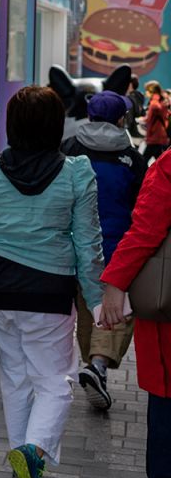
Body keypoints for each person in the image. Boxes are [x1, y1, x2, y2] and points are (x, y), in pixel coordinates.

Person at [0, 86, 104, 478]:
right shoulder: (77, 172)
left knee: (15, 378)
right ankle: (33, 452)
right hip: (50, 293)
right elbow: (88, 243)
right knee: (56, 381)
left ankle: (23, 458)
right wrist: (95, 299)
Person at [61, 91, 146, 410]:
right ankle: (97, 366)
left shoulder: (70, 149)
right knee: (117, 311)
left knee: (87, 308)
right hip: (116, 246)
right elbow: (139, 205)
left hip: (75, 246)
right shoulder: (131, 157)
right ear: (121, 119)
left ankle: (94, 367)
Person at [99, 147, 171, 478]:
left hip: (167, 305)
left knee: (166, 392)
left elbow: (145, 230)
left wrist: (115, 283)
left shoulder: (167, 168)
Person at [143, 81, 168, 163]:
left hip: (154, 136)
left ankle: (141, 176)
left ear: (151, 91)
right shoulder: (162, 101)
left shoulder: (154, 103)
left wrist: (141, 119)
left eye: (146, 90)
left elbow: (148, 119)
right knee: (160, 160)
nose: (145, 92)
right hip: (159, 135)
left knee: (143, 160)